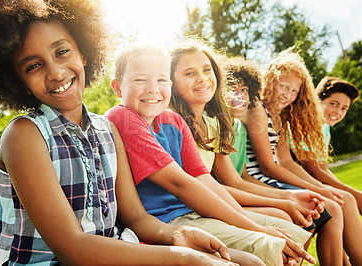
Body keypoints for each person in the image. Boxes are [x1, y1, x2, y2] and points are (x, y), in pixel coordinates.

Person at [0, 0, 241, 265]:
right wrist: (180, 257)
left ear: (83, 53)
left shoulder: (106, 130)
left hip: (117, 250)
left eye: (62, 52)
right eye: (33, 65)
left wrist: (179, 235)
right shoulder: (24, 136)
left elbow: (136, 218)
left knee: (247, 261)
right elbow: (72, 249)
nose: (56, 72)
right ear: (20, 83)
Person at [106, 42, 316, 266]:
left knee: (286, 231)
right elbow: (179, 183)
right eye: (140, 79)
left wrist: (246, 221)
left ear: (169, 83)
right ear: (118, 88)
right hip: (170, 221)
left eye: (160, 79)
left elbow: (204, 179)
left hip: (196, 213)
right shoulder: (123, 119)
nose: (152, 88)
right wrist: (256, 229)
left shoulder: (173, 121)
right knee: (264, 245)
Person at [244, 50, 362, 265]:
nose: (287, 95)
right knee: (330, 207)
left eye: (294, 91)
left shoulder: (279, 117)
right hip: (256, 179)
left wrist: (319, 186)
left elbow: (287, 162)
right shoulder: (257, 110)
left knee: (333, 203)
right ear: (270, 80)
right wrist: (317, 189)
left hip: (269, 177)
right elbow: (268, 166)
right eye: (283, 86)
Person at [293, 76, 362, 214]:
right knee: (347, 199)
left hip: (308, 183)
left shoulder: (325, 128)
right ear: (318, 100)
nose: (338, 112)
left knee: (347, 199)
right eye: (333, 104)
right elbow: (313, 170)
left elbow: (323, 167)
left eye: (344, 108)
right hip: (295, 182)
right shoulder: (305, 124)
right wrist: (354, 194)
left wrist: (344, 189)